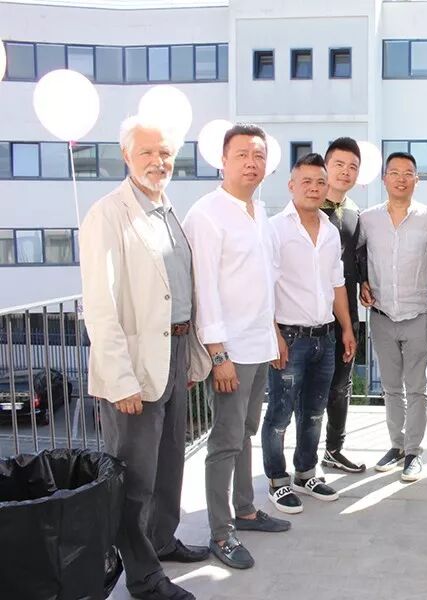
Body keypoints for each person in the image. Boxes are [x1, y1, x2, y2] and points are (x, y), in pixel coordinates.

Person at [80, 115, 212, 600]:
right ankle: (143, 576)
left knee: (170, 463)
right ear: (126, 157)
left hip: (174, 352)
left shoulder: (168, 211)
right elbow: (100, 305)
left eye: (165, 153)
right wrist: (120, 379)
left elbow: (181, 291)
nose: (158, 162)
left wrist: (190, 357)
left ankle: (162, 541)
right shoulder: (107, 214)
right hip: (134, 363)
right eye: (147, 153)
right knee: (135, 479)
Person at [183, 123, 291, 571]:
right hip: (229, 350)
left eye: (259, 156)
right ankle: (220, 532)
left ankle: (245, 510)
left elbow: (265, 280)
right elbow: (204, 287)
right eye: (242, 154)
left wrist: (274, 332)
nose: (252, 163)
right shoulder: (207, 214)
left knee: (246, 430)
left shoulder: (258, 211)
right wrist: (218, 354)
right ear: (222, 160)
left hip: (258, 341)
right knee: (226, 441)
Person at [261, 153, 357, 513]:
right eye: (307, 182)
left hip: (325, 338)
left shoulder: (330, 231)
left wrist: (346, 329)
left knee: (315, 412)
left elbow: (337, 284)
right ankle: (277, 480)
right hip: (289, 337)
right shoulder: (274, 229)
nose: (314, 188)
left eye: (320, 182)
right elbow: (264, 286)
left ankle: (305, 473)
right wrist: (273, 334)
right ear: (291, 185)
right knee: (280, 415)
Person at [359, 151, 427, 482]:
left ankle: (413, 452)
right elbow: (358, 257)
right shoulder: (368, 219)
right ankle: (396, 445)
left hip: (417, 314)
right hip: (381, 314)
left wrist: (421, 266)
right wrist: (364, 281)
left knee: (417, 387)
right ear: (384, 179)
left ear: (416, 180)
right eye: (394, 172)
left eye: (408, 173)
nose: (401, 178)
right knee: (391, 387)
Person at [319, 137, 367, 473]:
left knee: (341, 385)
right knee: (308, 388)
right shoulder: (307, 207)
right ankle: (302, 459)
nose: (345, 172)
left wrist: (366, 281)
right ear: (326, 166)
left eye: (353, 167)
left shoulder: (354, 213)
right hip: (308, 315)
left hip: (347, 313)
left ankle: (334, 449)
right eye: (339, 164)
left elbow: (358, 256)